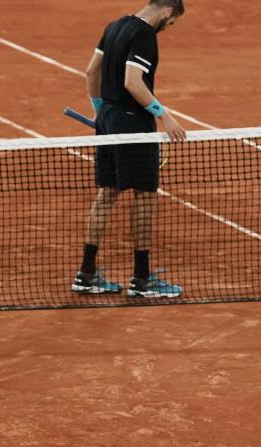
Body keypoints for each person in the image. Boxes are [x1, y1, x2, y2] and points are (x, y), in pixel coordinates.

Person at [71, 0, 186, 298]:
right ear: (167, 12)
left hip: (108, 118)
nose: (166, 28)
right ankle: (143, 279)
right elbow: (133, 82)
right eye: (170, 23)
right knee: (145, 196)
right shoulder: (144, 34)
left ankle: (86, 274)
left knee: (107, 192)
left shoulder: (114, 26)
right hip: (133, 122)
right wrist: (165, 115)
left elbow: (91, 72)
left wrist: (100, 111)